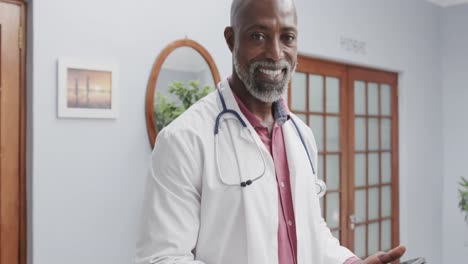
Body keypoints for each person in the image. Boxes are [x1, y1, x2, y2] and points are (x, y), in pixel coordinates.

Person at [135, 0, 406, 263]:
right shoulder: (183, 140)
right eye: (258, 36)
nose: (276, 54)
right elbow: (161, 258)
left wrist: (350, 262)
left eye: (287, 37)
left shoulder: (302, 136)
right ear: (231, 40)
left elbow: (310, 230)